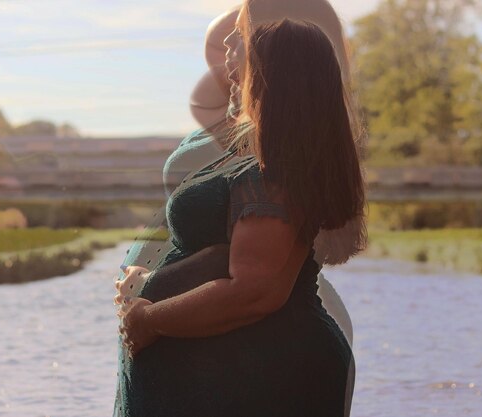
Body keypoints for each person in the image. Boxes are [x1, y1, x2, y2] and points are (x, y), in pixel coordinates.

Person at [114, 0, 367, 415]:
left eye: (241, 35)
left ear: (271, 58)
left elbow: (254, 288)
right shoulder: (259, 157)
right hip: (215, 362)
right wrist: (154, 281)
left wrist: (149, 317)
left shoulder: (271, 171)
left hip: (246, 365)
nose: (228, 47)